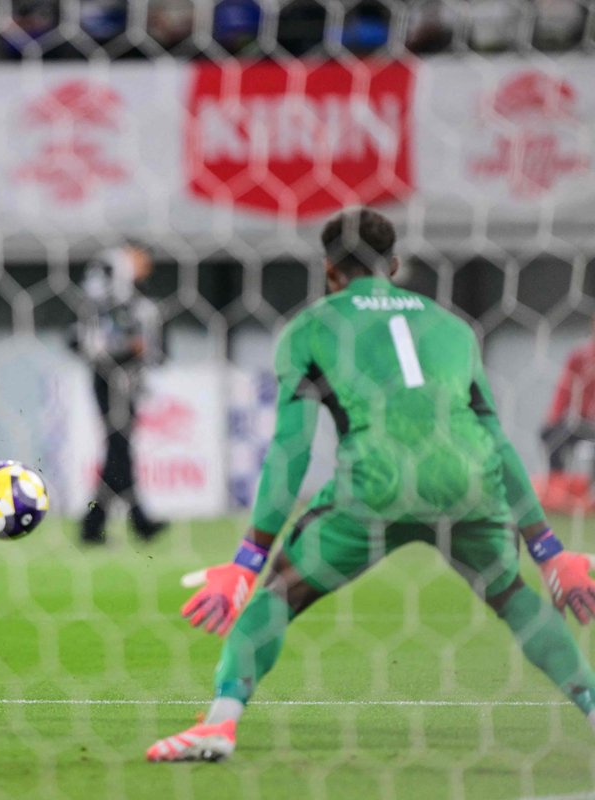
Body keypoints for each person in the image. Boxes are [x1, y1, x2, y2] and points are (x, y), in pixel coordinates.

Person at [146, 208, 595, 762]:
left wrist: (247, 558)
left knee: (278, 593)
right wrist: (548, 552)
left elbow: (292, 449)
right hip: (470, 483)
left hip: (377, 486)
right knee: (514, 597)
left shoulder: (311, 327)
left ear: (329, 271)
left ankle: (219, 723)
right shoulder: (453, 327)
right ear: (396, 265)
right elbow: (498, 440)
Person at [74, 242, 166, 544]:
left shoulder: (127, 296)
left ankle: (98, 523)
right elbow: (92, 338)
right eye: (143, 259)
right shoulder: (109, 284)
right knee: (119, 447)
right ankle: (135, 521)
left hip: (125, 378)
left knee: (118, 449)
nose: (147, 266)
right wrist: (131, 347)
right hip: (109, 376)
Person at [538, 320, 595, 509]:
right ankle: (558, 492)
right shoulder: (580, 356)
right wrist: (555, 415)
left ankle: (589, 494)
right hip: (584, 422)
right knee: (550, 434)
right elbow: (564, 389)